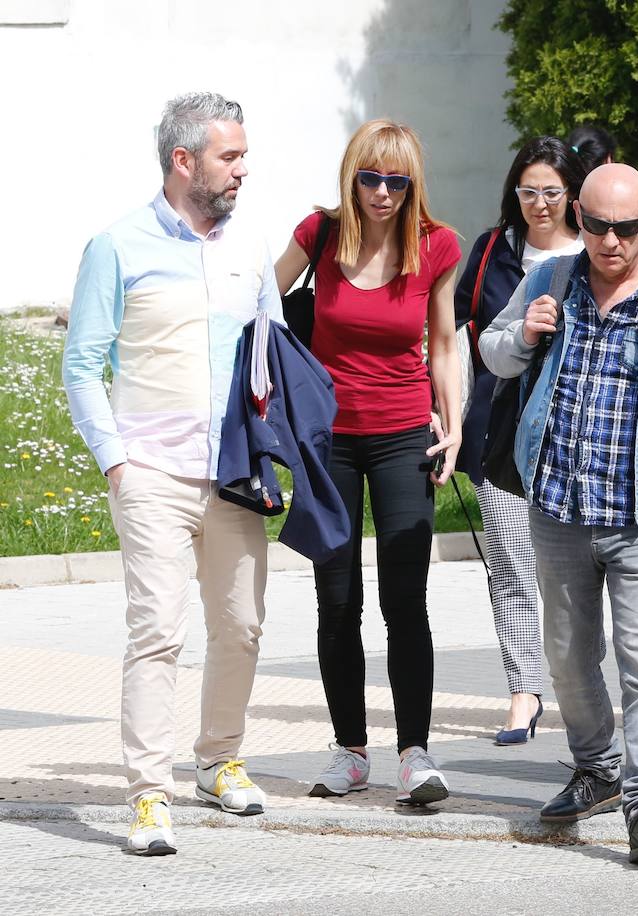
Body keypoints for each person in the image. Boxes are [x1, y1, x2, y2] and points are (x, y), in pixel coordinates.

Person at [479, 163, 638, 865]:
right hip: (558, 505)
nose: (611, 241)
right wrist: (524, 335)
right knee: (566, 658)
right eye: (596, 225)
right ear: (579, 220)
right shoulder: (548, 281)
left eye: (625, 227)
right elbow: (492, 353)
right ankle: (597, 768)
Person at [63, 92, 279, 855]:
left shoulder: (249, 248)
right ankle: (148, 796)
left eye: (244, 155)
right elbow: (82, 364)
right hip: (150, 473)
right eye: (230, 156)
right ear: (183, 161)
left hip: (232, 478)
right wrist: (115, 462)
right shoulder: (116, 246)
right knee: (157, 632)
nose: (243, 170)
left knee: (243, 627)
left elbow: (271, 353)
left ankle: (218, 761)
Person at [274, 119, 463, 805]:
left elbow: (442, 342)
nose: (383, 192)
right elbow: (262, 307)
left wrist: (455, 424)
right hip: (328, 440)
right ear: (352, 176)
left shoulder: (436, 246)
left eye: (397, 180)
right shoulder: (318, 236)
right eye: (370, 177)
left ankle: (415, 751)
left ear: (413, 183)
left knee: (403, 599)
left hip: (403, 433)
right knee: (337, 600)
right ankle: (350, 749)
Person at [454, 137, 584, 743]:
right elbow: (459, 330)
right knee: (508, 566)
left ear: (573, 194)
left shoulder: (601, 253)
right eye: (528, 191)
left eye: (551, 192)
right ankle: (524, 690)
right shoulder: (491, 251)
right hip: (498, 431)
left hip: (578, 438)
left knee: (574, 572)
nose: (539, 204)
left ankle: (579, 685)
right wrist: (449, 417)